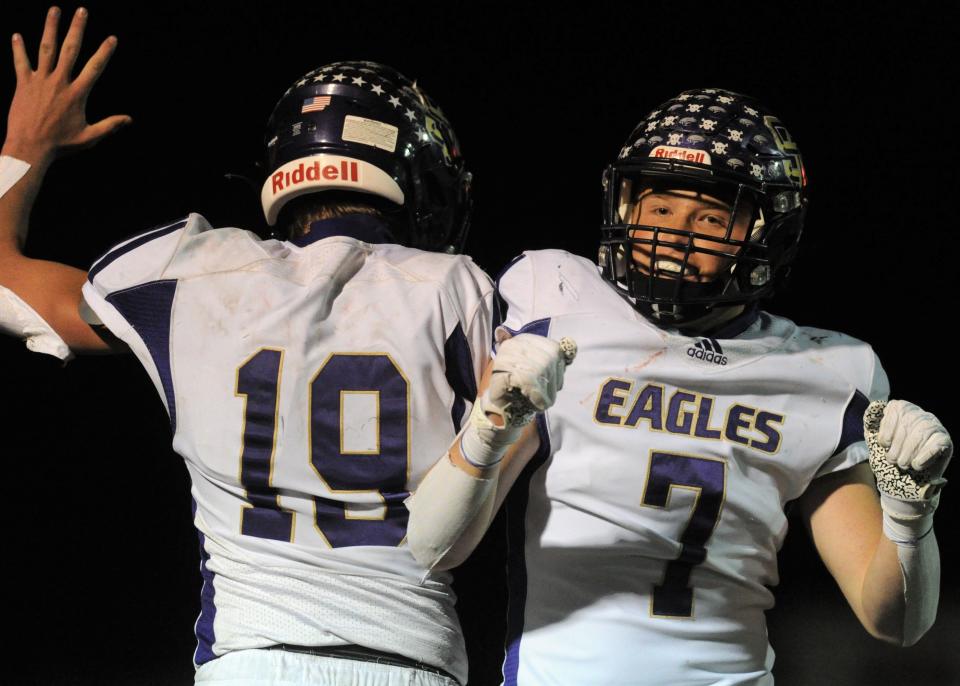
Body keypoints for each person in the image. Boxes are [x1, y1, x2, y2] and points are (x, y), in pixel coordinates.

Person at [0, 7, 495, 685]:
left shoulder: (190, 273)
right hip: (407, 660)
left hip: (250, 663)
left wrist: (25, 144)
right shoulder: (462, 289)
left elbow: (4, 280)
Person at [405, 88, 952, 685]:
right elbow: (432, 547)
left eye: (711, 218)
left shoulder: (823, 372)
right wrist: (490, 424)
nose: (675, 235)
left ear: (766, 234)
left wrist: (910, 513)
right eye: (660, 208)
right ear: (626, 206)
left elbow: (896, 624)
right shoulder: (556, 302)